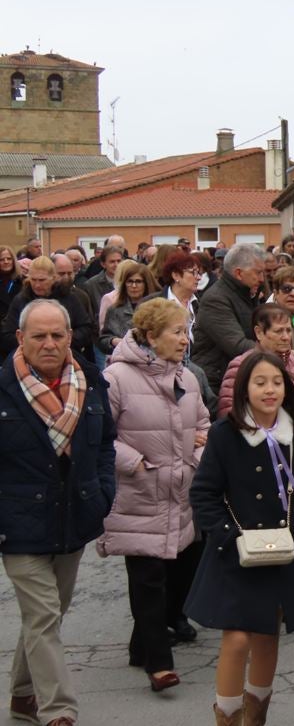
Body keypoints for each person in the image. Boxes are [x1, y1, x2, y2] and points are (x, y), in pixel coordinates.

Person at [185, 351, 294, 725]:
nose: (270, 390)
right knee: (236, 639)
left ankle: (256, 719)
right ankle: (228, 720)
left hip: (284, 551)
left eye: (277, 382)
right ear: (244, 389)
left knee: (267, 636)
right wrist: (229, 537)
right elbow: (203, 494)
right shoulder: (225, 434)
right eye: (260, 382)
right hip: (237, 552)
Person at [0, 299, 115, 726]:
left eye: (57, 335)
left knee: (48, 613)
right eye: (39, 336)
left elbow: (106, 443)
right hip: (17, 525)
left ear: (70, 336)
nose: (49, 344)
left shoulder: (92, 382)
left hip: (74, 517)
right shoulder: (3, 386)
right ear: (20, 339)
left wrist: (104, 492)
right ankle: (58, 711)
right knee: (45, 612)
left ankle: (22, 694)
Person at [97, 299, 210, 691]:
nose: (185, 339)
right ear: (151, 337)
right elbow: (99, 437)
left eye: (185, 331)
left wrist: (196, 455)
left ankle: (139, 646)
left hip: (181, 493)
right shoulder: (115, 379)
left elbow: (204, 424)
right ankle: (159, 665)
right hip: (138, 494)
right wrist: (135, 462)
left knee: (182, 569)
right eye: (177, 332)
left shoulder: (188, 378)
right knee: (148, 578)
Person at [191, 243, 265, 392]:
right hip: (216, 383)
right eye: (258, 273)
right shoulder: (216, 299)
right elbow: (238, 346)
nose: (262, 279)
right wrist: (273, 353)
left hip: (236, 376)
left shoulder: (247, 294)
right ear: (238, 273)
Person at [217, 304, 294, 418]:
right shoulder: (240, 366)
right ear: (259, 333)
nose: (286, 337)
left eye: (288, 330)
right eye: (278, 331)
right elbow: (229, 413)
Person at [0, 257, 94, 360]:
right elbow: (7, 333)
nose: (37, 285)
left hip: (66, 356)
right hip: (28, 358)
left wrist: (62, 341)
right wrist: (32, 344)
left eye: (42, 280)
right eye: (33, 280)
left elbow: (86, 328)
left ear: (54, 278)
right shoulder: (20, 300)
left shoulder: (69, 298)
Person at [99, 262, 157, 355]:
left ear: (146, 283)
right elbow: (103, 339)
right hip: (122, 360)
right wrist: (113, 341)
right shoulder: (114, 310)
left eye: (138, 281)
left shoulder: (158, 309)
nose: (133, 286)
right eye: (130, 281)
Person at [82, 245, 124, 316]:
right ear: (103, 264)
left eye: (119, 261)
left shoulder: (128, 282)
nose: (116, 265)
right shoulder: (91, 285)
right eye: (112, 262)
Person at [0, 244, 22, 323]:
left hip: (17, 325)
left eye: (9, 259)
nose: (6, 262)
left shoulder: (23, 281)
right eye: (2, 259)